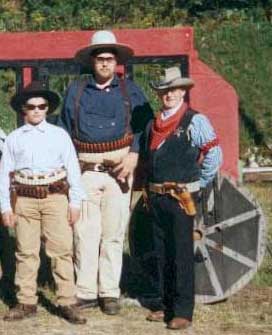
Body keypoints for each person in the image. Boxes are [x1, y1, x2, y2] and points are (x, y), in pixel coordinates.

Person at [60, 30, 153, 315]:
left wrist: (135, 155)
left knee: (113, 233)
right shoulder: (75, 92)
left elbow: (145, 125)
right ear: (92, 61)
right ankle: (86, 292)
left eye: (109, 59)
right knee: (85, 232)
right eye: (99, 59)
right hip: (86, 169)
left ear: (116, 62)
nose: (104, 64)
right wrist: (70, 170)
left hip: (120, 170)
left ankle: (110, 292)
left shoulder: (131, 91)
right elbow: (63, 131)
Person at [142, 67, 222, 330]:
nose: (168, 94)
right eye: (164, 90)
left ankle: (183, 311)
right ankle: (165, 305)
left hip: (182, 198)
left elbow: (214, 154)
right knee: (162, 251)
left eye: (173, 89)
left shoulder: (195, 121)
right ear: (159, 93)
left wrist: (199, 183)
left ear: (182, 91)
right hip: (156, 198)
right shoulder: (152, 125)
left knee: (181, 254)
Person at [0, 81, 86, 324]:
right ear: (23, 109)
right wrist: (5, 206)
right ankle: (26, 301)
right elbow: (4, 173)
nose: (37, 110)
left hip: (55, 197)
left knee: (62, 251)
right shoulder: (14, 139)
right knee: (25, 252)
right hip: (25, 199)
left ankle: (67, 301)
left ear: (48, 108)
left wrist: (75, 202)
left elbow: (73, 170)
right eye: (32, 106)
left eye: (42, 106)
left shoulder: (59, 136)